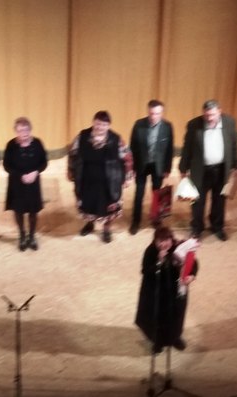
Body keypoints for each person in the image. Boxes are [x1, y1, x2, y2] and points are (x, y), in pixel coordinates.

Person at [179, 99, 237, 241]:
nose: (209, 118)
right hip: (200, 170)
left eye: (212, 115)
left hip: (222, 169)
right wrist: (183, 168)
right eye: (206, 115)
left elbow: (234, 145)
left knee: (219, 200)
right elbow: (187, 148)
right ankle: (197, 228)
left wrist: (236, 166)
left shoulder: (230, 122)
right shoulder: (194, 125)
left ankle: (217, 227)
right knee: (197, 201)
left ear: (219, 111)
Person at [68, 111, 133, 243]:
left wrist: (128, 177)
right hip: (86, 180)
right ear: (93, 122)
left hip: (110, 182)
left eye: (104, 124)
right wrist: (71, 170)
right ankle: (90, 224)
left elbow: (127, 157)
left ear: (108, 125)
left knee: (108, 206)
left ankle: (106, 229)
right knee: (88, 204)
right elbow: (72, 154)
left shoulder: (116, 139)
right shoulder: (82, 136)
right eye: (98, 123)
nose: (100, 127)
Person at [135, 226, 198, 354]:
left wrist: (191, 275)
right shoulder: (150, 251)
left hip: (176, 290)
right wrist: (159, 261)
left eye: (167, 240)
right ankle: (157, 341)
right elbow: (145, 271)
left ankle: (175, 338)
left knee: (177, 315)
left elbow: (193, 263)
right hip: (156, 292)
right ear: (155, 241)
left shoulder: (179, 248)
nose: (164, 244)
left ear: (171, 239)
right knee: (157, 317)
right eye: (160, 241)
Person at [129, 99, 174, 234]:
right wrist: (132, 167)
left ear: (162, 113)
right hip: (141, 165)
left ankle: (156, 220)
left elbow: (169, 149)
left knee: (157, 194)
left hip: (158, 166)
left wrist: (167, 168)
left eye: (157, 113)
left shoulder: (167, 126)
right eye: (152, 113)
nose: (154, 116)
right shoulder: (138, 125)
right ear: (148, 112)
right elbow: (133, 147)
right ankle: (135, 222)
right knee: (139, 194)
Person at [3, 117, 48, 251]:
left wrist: (36, 172)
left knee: (33, 211)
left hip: (33, 183)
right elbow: (6, 165)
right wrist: (20, 175)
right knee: (19, 211)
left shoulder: (37, 143)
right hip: (17, 184)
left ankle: (32, 236)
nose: (24, 133)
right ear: (16, 131)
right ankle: (22, 236)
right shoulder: (11, 145)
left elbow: (44, 162)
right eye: (20, 131)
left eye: (26, 130)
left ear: (30, 130)